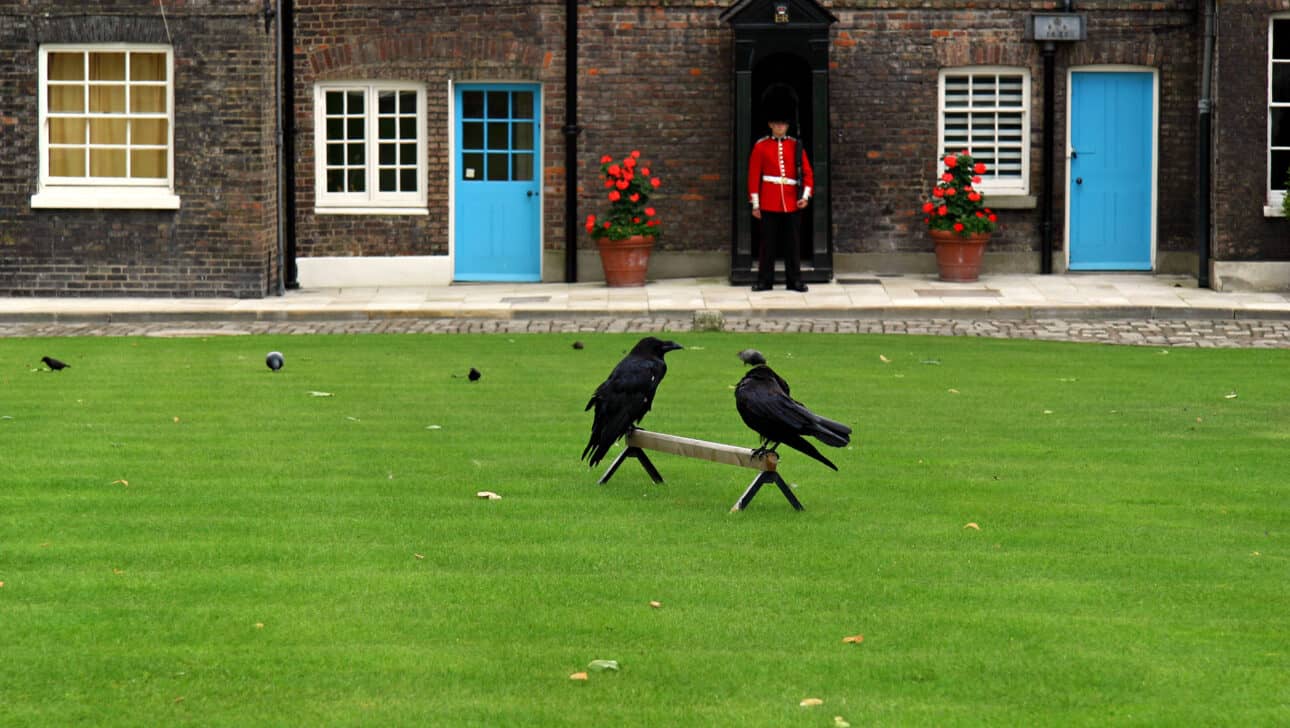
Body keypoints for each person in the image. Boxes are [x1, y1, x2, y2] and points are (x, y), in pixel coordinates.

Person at [747, 109, 813, 292]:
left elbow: (807, 173)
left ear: (787, 125)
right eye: (776, 123)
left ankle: (795, 280)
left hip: (792, 201)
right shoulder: (761, 146)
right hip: (769, 200)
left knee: (793, 244)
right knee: (767, 244)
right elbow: (753, 176)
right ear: (770, 125)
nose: (779, 127)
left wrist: (805, 196)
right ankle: (764, 281)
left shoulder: (795, 145)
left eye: (782, 124)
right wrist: (755, 203)